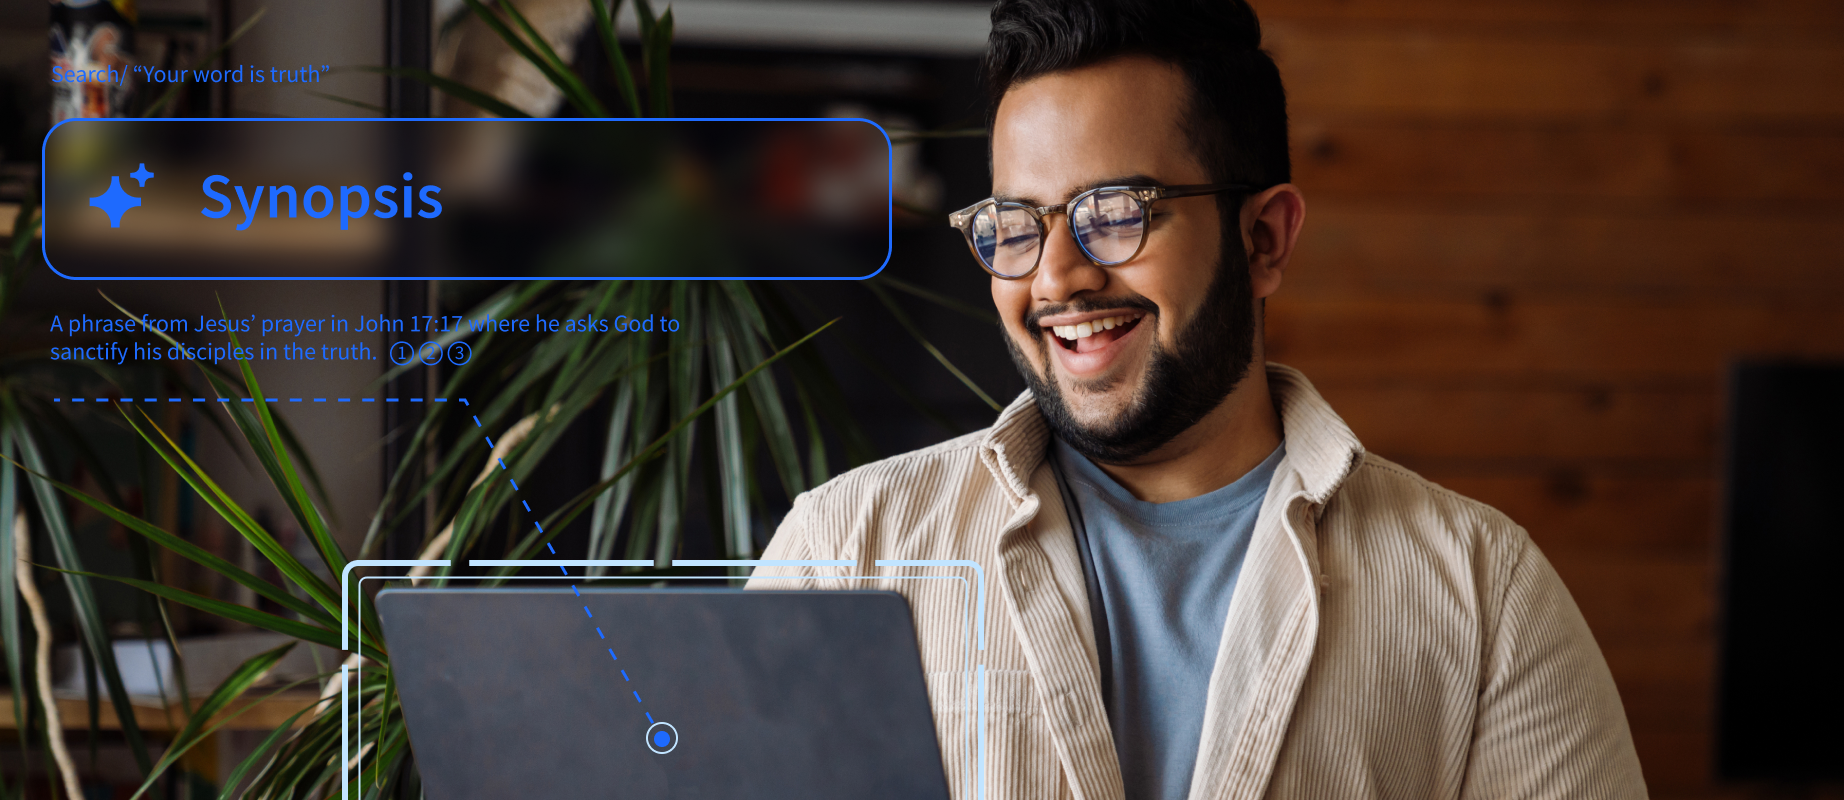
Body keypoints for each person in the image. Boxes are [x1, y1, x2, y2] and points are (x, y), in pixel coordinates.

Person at [752, 0, 1648, 797]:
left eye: (1116, 212)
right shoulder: (846, 553)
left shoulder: (1485, 592)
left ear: (1263, 239)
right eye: (1015, 227)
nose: (1056, 276)